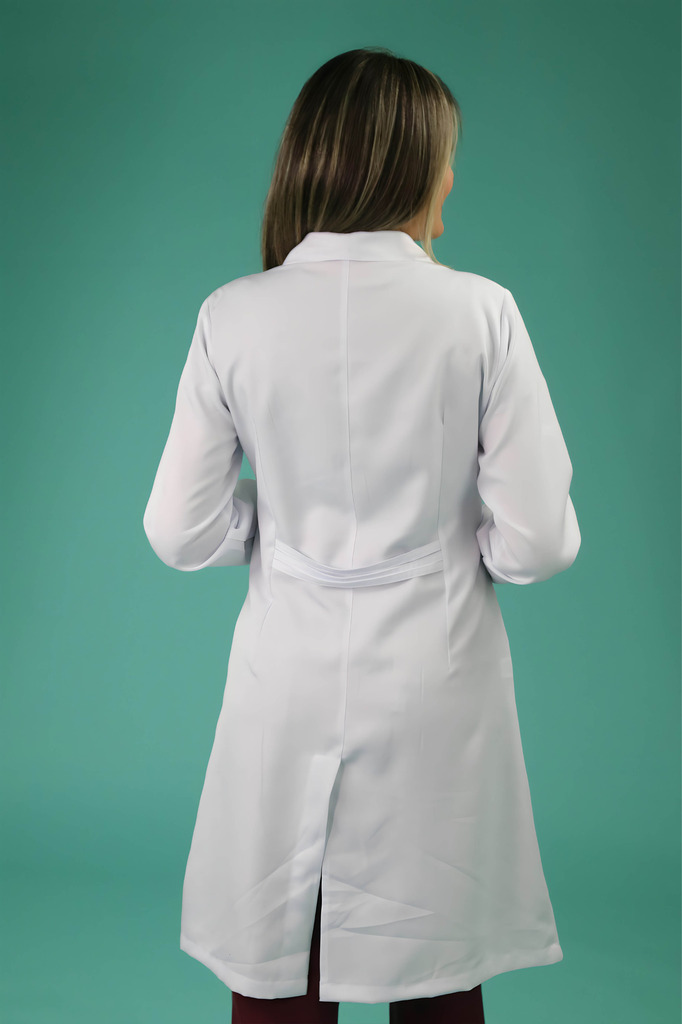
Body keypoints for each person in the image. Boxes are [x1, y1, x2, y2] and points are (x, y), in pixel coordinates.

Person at [143, 46, 581, 1024]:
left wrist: (276, 531)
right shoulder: (480, 313)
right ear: (411, 163)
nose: (454, 177)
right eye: (448, 156)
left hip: (286, 681)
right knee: (436, 968)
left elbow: (179, 529)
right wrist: (458, 544)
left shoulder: (232, 315)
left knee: (279, 965)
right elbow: (540, 541)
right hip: (437, 682)